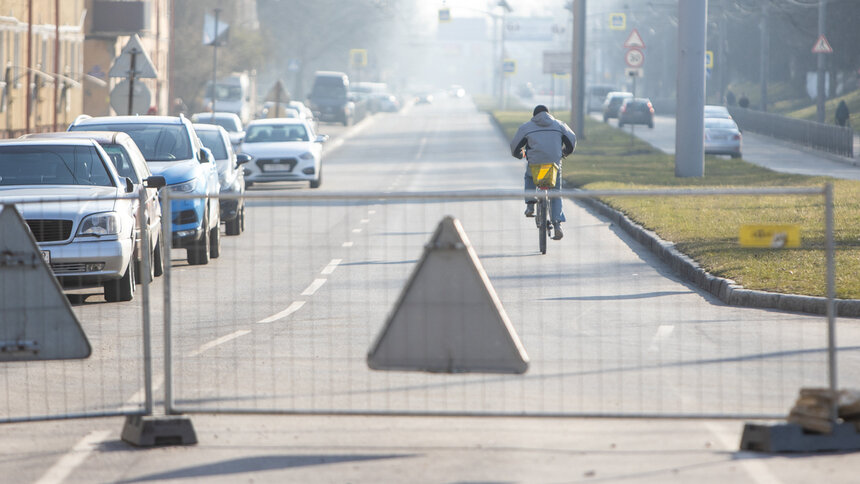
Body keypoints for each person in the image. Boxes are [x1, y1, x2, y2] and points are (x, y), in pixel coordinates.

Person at [510, 105, 576, 241]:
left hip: (535, 164)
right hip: (553, 165)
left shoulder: (526, 127)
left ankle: (530, 205)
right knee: (556, 192)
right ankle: (557, 224)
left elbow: (514, 146)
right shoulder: (559, 125)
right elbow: (572, 140)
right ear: (548, 114)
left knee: (529, 177)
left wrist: (520, 154)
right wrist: (565, 152)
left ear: (534, 116)